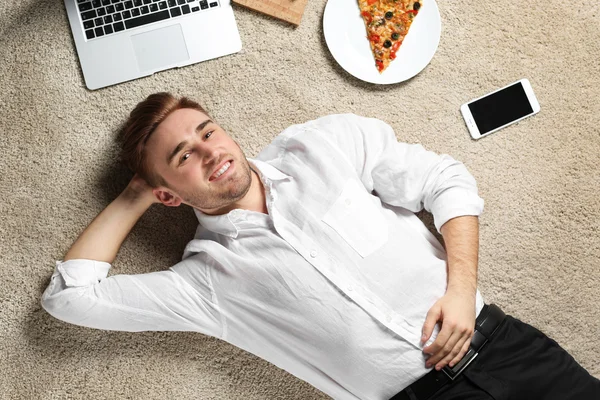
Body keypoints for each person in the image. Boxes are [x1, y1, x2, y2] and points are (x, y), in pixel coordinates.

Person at [41, 93, 599, 400]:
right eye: (183, 156)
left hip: (502, 344)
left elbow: (446, 180)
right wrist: (137, 190)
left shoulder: (318, 145)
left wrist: (460, 290)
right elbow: (70, 297)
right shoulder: (203, 281)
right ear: (166, 193)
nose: (210, 153)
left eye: (207, 131)